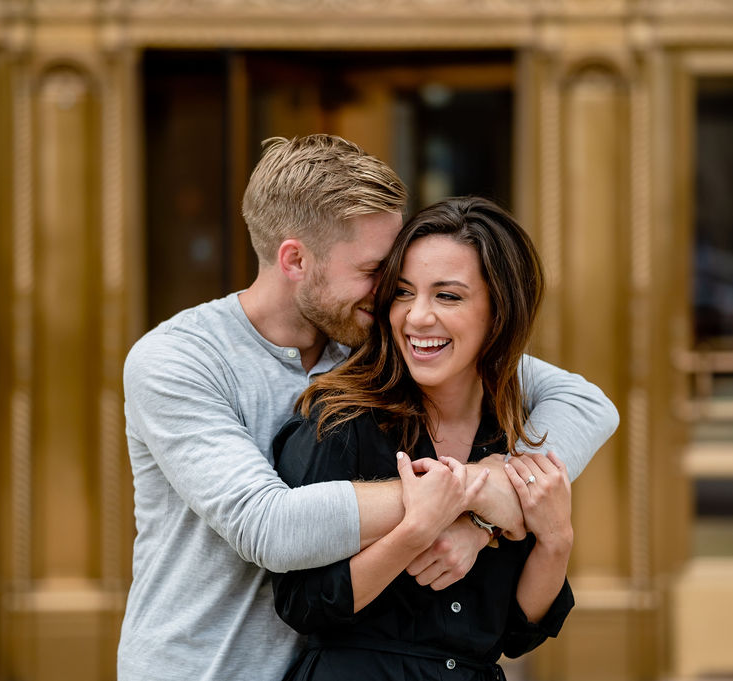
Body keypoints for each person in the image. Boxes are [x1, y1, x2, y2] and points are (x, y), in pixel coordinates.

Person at [118, 135, 618, 681]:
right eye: (377, 271)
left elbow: (584, 403)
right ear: (295, 260)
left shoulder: (376, 341)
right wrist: (470, 491)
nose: (393, 296)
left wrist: (484, 519)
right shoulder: (178, 360)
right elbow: (270, 528)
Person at [272, 196, 577, 681]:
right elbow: (302, 604)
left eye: (448, 296)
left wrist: (556, 540)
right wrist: (416, 530)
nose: (416, 318)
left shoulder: (514, 432)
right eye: (403, 292)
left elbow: (518, 635)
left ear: (501, 310)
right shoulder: (340, 420)